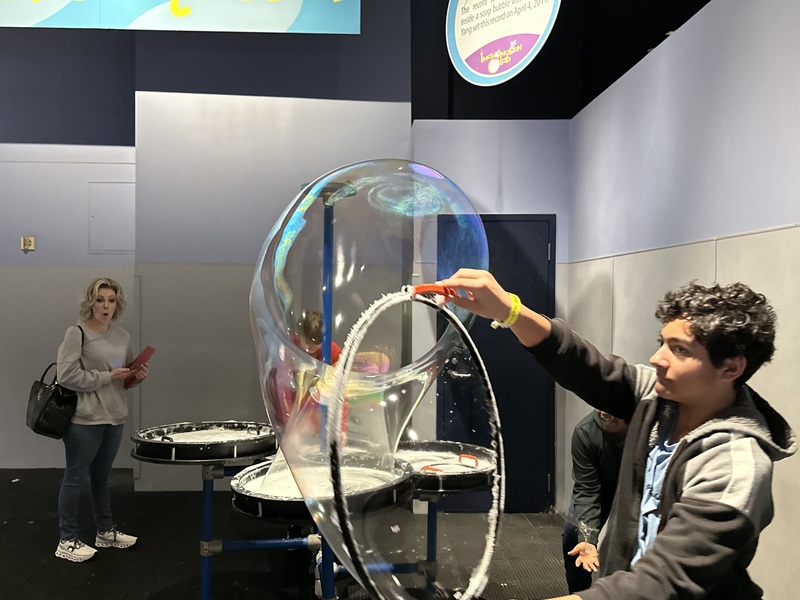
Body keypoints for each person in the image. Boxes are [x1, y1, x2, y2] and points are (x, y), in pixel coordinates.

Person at [436, 269, 796, 600]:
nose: (657, 358)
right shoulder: (656, 396)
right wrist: (510, 311)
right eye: (662, 342)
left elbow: (661, 583)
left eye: (679, 350)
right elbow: (585, 366)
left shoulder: (734, 467)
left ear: (731, 368)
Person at [54, 277, 149, 562]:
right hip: (84, 418)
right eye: (100, 300)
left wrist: (136, 376)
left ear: (117, 304)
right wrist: (108, 376)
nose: (106, 306)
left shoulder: (122, 336)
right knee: (75, 476)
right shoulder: (77, 333)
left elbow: (123, 380)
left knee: (100, 476)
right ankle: (67, 539)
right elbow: (66, 376)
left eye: (111, 300)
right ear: (90, 303)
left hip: (115, 415)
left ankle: (105, 532)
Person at [562, 410, 627, 593]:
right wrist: (587, 538)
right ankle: (579, 593)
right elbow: (587, 489)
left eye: (610, 404)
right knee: (573, 535)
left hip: (637, 490)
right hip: (601, 488)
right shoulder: (586, 432)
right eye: (599, 404)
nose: (603, 411)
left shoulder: (649, 427)